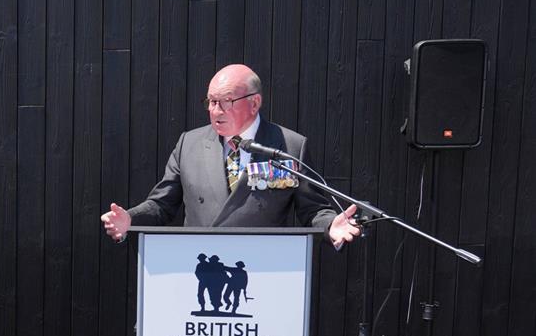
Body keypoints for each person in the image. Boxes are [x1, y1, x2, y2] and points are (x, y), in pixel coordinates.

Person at [101, 63, 360, 244]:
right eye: (211, 102)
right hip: (200, 263)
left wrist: (329, 226)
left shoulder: (289, 146)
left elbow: (313, 210)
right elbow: (161, 205)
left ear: (254, 102)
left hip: (261, 268)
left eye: (225, 101)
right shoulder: (188, 144)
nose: (215, 110)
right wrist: (130, 219)